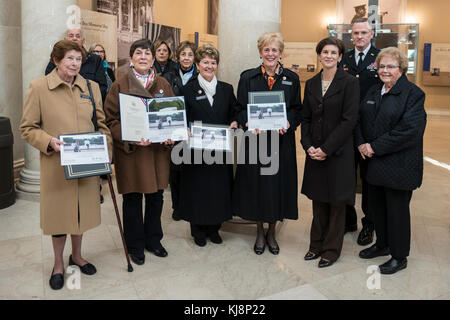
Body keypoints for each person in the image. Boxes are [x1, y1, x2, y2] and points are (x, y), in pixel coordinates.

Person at [19, 40, 112, 290]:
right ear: (57, 60)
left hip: (86, 165)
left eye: (78, 59)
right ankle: (58, 264)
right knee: (60, 219)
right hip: (56, 165)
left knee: (80, 215)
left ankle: (78, 256)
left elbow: (101, 125)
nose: (74, 64)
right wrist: (48, 141)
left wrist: (106, 152)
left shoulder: (91, 87)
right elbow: (27, 128)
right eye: (69, 58)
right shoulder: (39, 87)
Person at [104, 39, 174, 266]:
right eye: (138, 53)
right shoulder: (120, 84)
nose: (143, 57)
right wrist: (129, 136)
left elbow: (173, 114)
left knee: (156, 198)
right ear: (132, 58)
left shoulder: (163, 83)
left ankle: (154, 240)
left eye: (147, 53)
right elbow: (110, 119)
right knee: (133, 199)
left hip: (156, 154)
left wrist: (171, 133)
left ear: (153, 59)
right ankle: (134, 245)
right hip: (132, 153)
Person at [357, 47, 426, 274]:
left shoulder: (413, 94)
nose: (385, 70)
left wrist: (373, 147)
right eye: (382, 66)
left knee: (397, 212)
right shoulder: (374, 91)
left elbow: (408, 131)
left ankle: (399, 256)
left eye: (390, 66)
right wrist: (361, 144)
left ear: (402, 69)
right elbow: (360, 120)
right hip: (374, 164)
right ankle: (382, 244)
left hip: (399, 166)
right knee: (377, 209)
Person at [233, 32, 302, 255]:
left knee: (277, 187)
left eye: (274, 50)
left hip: (281, 142)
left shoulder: (291, 78)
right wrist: (247, 122)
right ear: (260, 52)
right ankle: (259, 231)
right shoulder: (248, 78)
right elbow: (240, 107)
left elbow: (297, 109)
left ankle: (272, 231)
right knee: (257, 186)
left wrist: (288, 123)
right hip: (255, 141)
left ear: (280, 52)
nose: (270, 54)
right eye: (266, 49)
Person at [301, 37, 360, 268]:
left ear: (340, 57)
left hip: (338, 153)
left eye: (333, 52)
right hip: (314, 151)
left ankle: (331, 250)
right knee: (318, 201)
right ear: (319, 55)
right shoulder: (313, 82)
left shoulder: (349, 83)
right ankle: (315, 245)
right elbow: (306, 118)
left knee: (336, 203)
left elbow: (349, 121)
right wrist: (308, 146)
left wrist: (326, 149)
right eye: (325, 52)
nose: (328, 56)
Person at [178, 44, 239, 246]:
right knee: (198, 189)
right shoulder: (187, 89)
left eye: (213, 62)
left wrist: (235, 122)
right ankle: (198, 230)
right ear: (197, 64)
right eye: (205, 62)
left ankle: (215, 228)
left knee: (218, 189)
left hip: (220, 149)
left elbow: (235, 112)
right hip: (196, 150)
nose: (209, 66)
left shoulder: (226, 89)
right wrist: (185, 129)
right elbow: (182, 116)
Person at [341, 17, 382, 246]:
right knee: (346, 175)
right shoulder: (344, 58)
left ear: (371, 33)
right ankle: (348, 219)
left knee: (368, 179)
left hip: (369, 129)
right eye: (356, 33)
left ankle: (369, 224)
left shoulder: (380, 58)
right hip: (347, 127)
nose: (359, 37)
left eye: (364, 33)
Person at [166, 41, 199, 221]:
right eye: (183, 54)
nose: (186, 58)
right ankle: (176, 206)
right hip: (175, 128)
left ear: (195, 58)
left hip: (194, 127)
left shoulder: (201, 76)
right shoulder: (168, 76)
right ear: (178, 57)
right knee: (175, 170)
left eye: (190, 54)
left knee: (191, 168)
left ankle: (189, 203)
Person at [45, 29, 107, 102]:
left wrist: (85, 99)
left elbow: (102, 87)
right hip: (61, 102)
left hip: (87, 104)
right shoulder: (58, 57)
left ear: (83, 41)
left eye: (78, 36)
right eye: (71, 36)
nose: (74, 38)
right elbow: (49, 80)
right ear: (65, 39)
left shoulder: (95, 60)